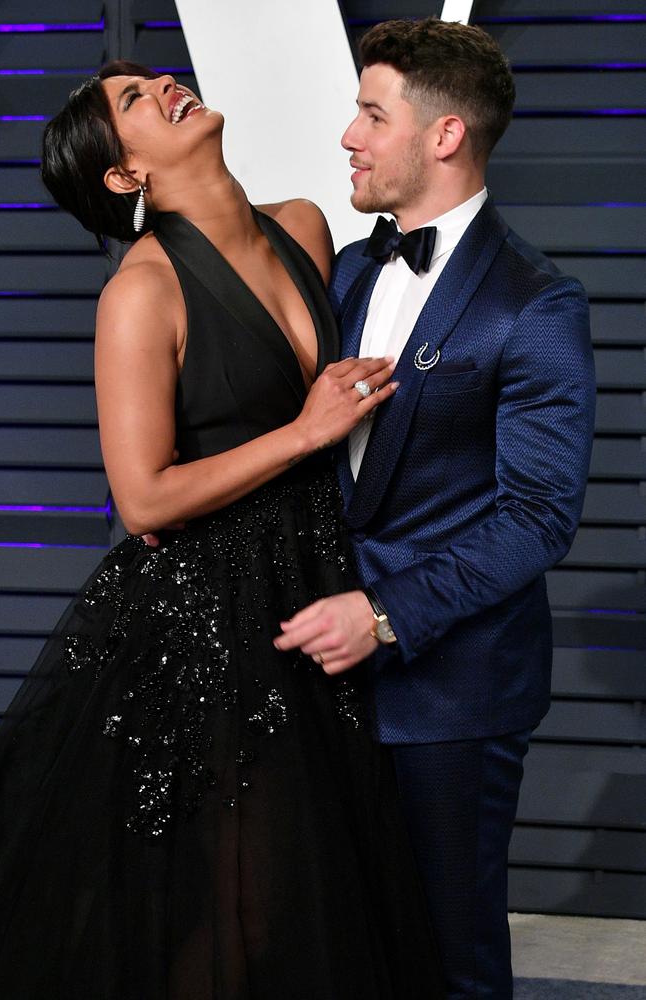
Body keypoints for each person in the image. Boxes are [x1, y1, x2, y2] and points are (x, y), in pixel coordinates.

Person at [0, 61, 445, 999]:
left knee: (310, 888)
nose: (165, 82)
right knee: (237, 897)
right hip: (205, 619)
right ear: (126, 177)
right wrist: (306, 431)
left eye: (152, 78)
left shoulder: (304, 229)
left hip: (315, 583)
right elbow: (144, 500)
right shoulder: (142, 293)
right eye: (133, 100)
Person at [275, 17, 596, 1000]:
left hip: (449, 689)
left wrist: (379, 615)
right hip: (314, 679)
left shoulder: (534, 303)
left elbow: (536, 516)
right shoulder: (349, 268)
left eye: (371, 112)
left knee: (449, 961)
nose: (347, 136)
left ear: (444, 134)